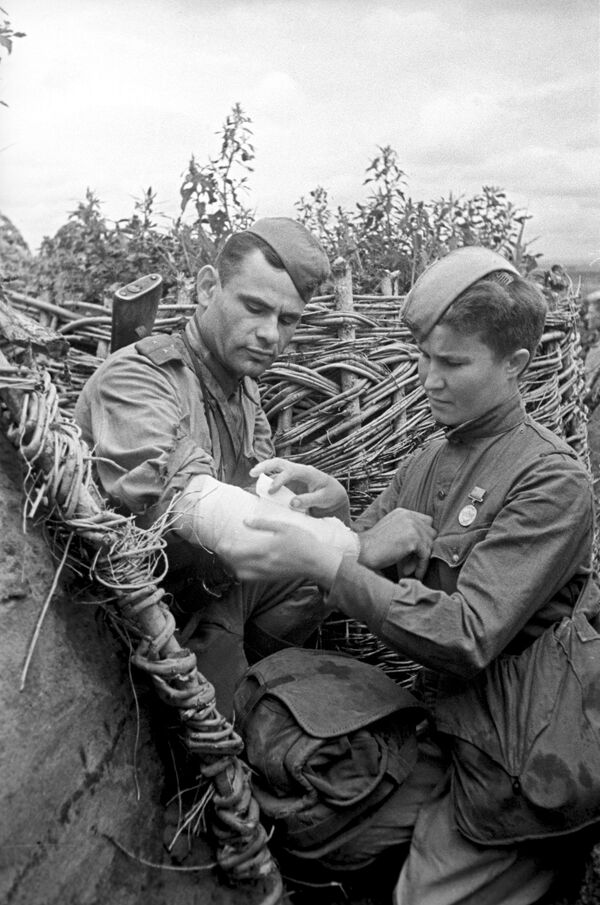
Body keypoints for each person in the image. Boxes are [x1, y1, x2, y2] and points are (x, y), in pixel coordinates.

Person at [216, 246, 595, 905]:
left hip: (516, 764)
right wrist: (336, 515)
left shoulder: (551, 479)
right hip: (449, 729)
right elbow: (367, 549)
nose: (429, 379)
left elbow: (466, 633)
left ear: (516, 366)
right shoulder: (432, 456)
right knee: (304, 813)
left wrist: (331, 559)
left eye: (452, 363)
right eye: (423, 358)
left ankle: (536, 866)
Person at [74, 216, 435, 719]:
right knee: (240, 748)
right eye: (255, 307)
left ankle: (262, 670)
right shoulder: (137, 378)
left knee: (314, 580)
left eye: (288, 320)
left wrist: (337, 510)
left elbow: (265, 509)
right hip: (139, 615)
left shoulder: (241, 390)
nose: (270, 335)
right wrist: (360, 546)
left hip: (210, 592)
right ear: (206, 288)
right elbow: (210, 512)